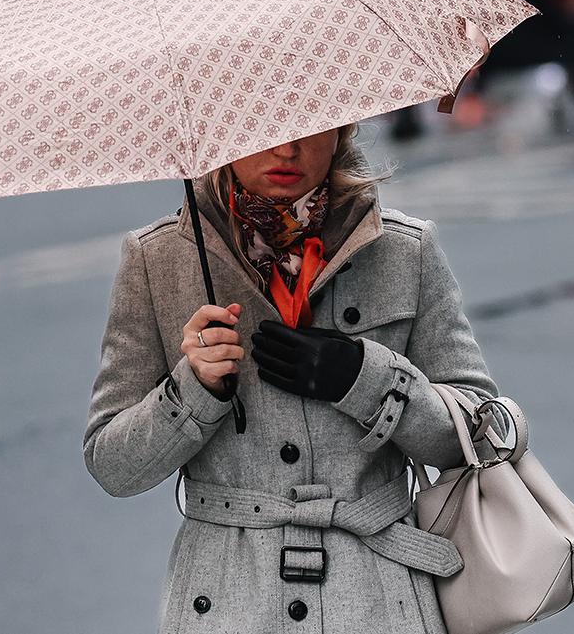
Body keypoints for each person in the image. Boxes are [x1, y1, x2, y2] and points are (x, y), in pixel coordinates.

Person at [85, 125, 501, 633]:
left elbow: (483, 436)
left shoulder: (404, 250)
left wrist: (368, 380)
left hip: (380, 598)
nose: (286, 148)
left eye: (308, 128)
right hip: (228, 601)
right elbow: (114, 467)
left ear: (342, 128)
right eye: (260, 126)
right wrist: (194, 389)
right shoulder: (157, 260)